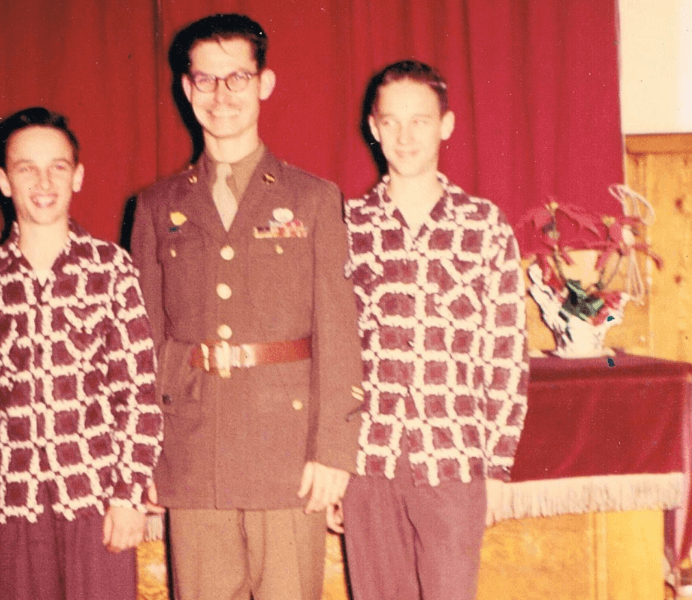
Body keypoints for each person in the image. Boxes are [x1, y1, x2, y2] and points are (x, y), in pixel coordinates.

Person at [130, 13, 363, 600]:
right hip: (193, 448)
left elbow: (339, 332)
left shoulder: (312, 199)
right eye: (205, 81)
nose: (221, 96)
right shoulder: (157, 207)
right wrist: (145, 460)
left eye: (237, 78)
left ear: (265, 84)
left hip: (287, 454)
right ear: (186, 90)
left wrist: (333, 451)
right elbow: (142, 342)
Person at [0, 107, 163, 600]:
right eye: (26, 168)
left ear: (77, 176)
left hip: (95, 497)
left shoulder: (111, 269)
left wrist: (129, 494)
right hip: (9, 503)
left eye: (58, 167)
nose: (44, 182)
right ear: (3, 180)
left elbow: (139, 392)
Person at [341, 61, 529, 600]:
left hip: (454, 462)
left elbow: (506, 355)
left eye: (420, 121)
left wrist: (496, 465)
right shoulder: (346, 227)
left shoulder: (484, 226)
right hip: (368, 462)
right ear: (373, 128)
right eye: (392, 122)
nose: (405, 136)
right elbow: (333, 354)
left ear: (446, 125)